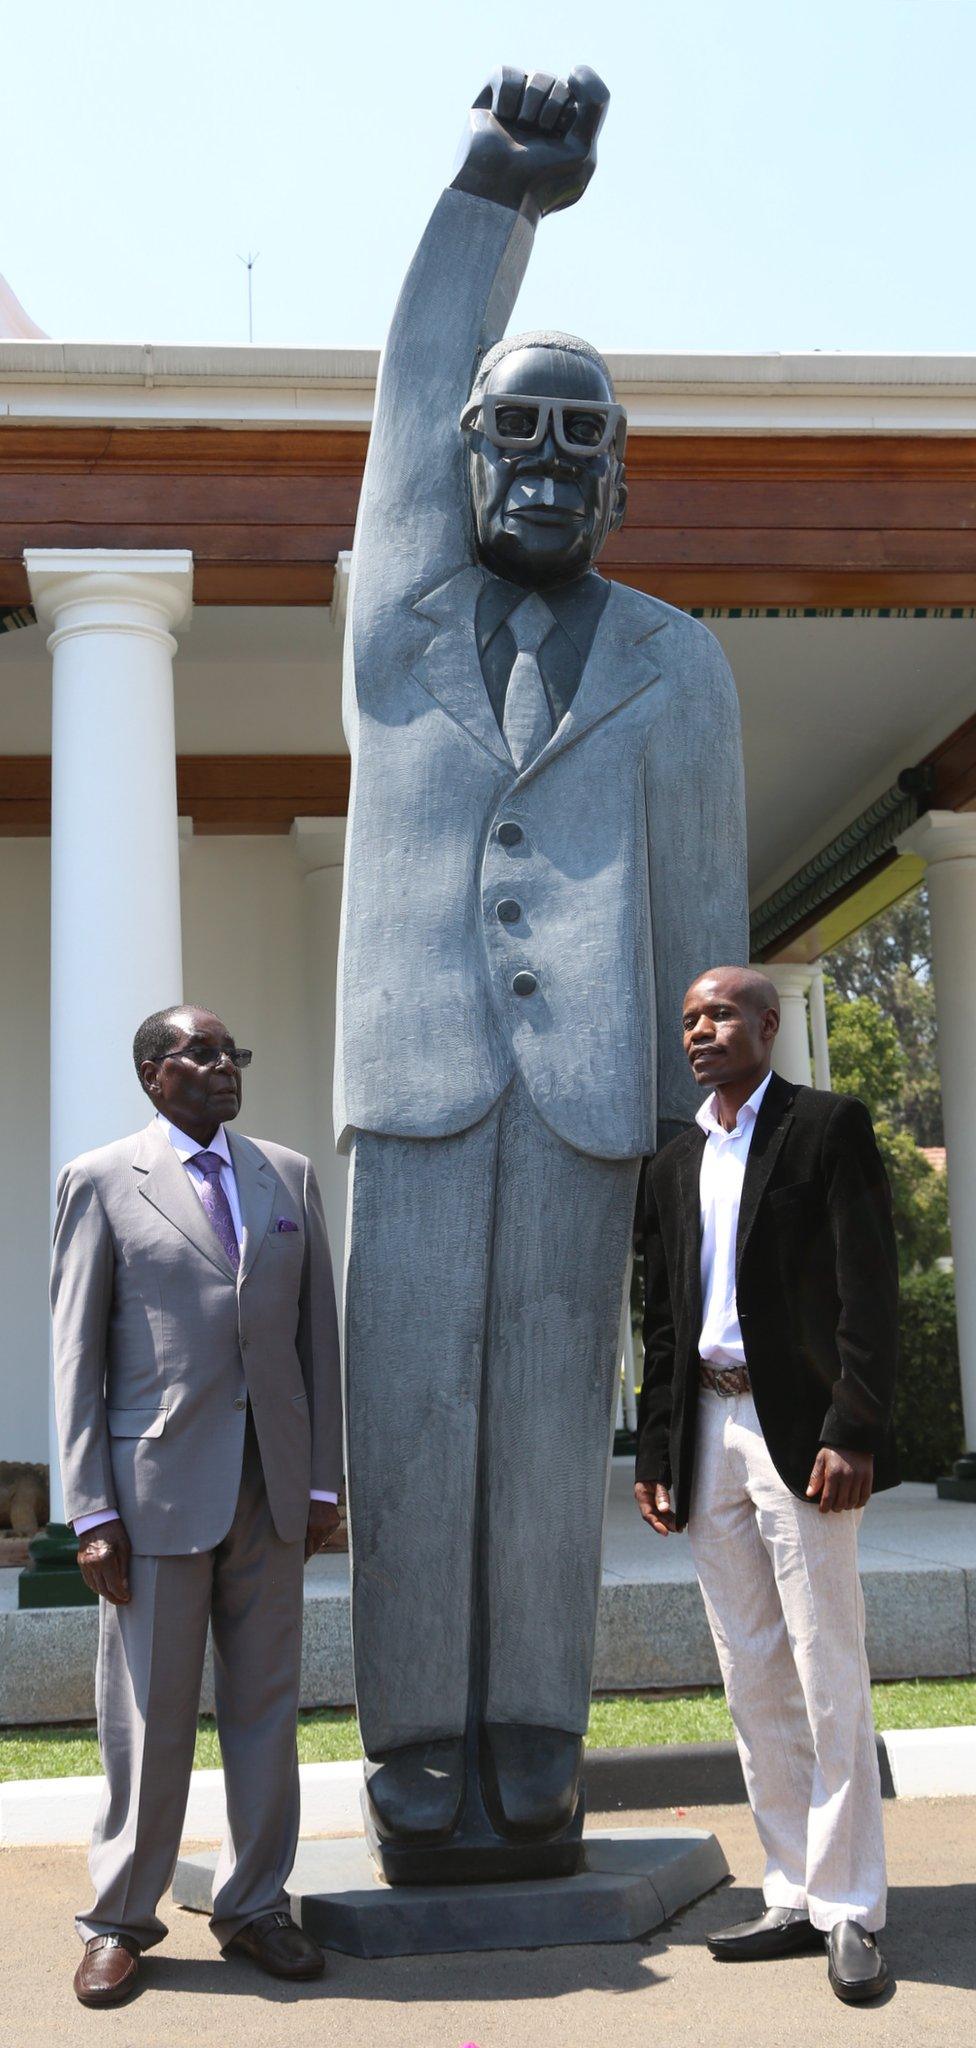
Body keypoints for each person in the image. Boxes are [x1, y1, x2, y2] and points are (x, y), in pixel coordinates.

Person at [336, 66, 747, 1863]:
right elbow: (415, 380)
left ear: (628, 480)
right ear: (469, 457)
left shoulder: (682, 663)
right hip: (417, 1089)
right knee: (417, 1423)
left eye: (590, 441)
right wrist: (495, 195)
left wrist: (697, 1134)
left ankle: (533, 1724)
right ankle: (416, 1729)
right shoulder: (399, 614)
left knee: (541, 1430)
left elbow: (709, 918)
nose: (551, 462)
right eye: (522, 433)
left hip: (590, 1102)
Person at [52, 1005, 343, 2008]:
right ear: (151, 1072)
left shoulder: (288, 1175)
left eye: (235, 1054)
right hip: (154, 1496)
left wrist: (320, 1482)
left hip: (272, 1488)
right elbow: (76, 1358)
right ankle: (122, 1918)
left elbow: (318, 1342)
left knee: (265, 1709)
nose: (226, 1068)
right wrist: (90, 1510)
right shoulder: (100, 1180)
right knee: (151, 1716)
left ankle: (256, 1905)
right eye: (203, 1053)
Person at [635, 966, 898, 2004]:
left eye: (719, 1013)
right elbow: (660, 1315)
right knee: (749, 1670)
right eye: (689, 1017)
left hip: (799, 1432)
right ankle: (791, 1888)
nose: (700, 1029)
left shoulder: (827, 1127)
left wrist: (854, 1424)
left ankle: (853, 1908)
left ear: (767, 1023)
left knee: (826, 1663)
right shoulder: (673, 1158)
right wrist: (659, 1451)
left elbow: (868, 1284)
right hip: (705, 1424)